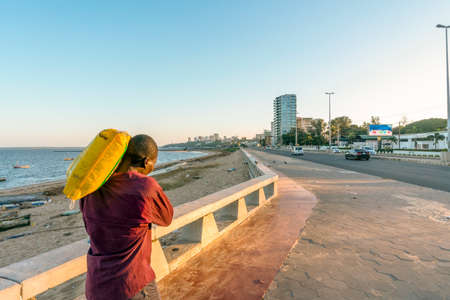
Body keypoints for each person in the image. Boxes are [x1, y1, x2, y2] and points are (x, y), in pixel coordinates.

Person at [80, 134, 174, 300]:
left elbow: (91, 226)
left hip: (97, 286)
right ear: (146, 162)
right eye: (153, 164)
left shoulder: (92, 187)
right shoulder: (145, 186)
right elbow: (166, 218)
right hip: (132, 284)